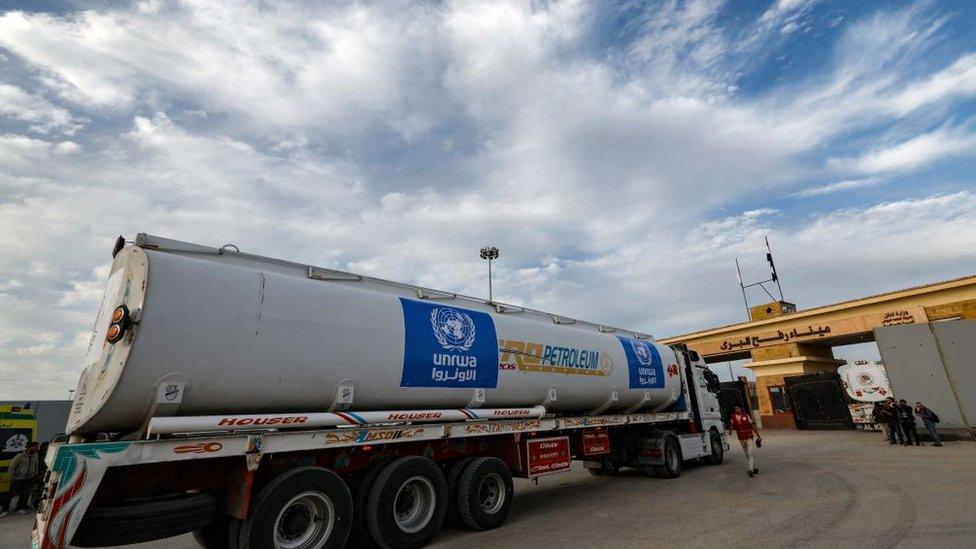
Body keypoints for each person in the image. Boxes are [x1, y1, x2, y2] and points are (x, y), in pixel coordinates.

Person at [3, 441, 40, 515]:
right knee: (11, 494)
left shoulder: (35, 455)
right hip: (18, 478)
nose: (36, 448)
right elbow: (12, 467)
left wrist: (35, 473)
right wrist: (12, 477)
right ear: (30, 447)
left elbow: (36, 465)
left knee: (24, 494)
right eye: (35, 447)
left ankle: (19, 508)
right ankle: (4, 509)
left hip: (29, 478)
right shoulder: (20, 456)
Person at [728, 405, 760, 477]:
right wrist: (730, 431)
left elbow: (753, 426)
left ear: (741, 409)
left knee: (750, 453)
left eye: (738, 408)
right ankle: (755, 468)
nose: (737, 410)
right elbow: (732, 425)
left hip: (749, 436)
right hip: (741, 438)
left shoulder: (746, 416)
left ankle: (750, 470)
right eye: (735, 409)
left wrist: (758, 436)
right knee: (747, 455)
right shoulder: (733, 417)